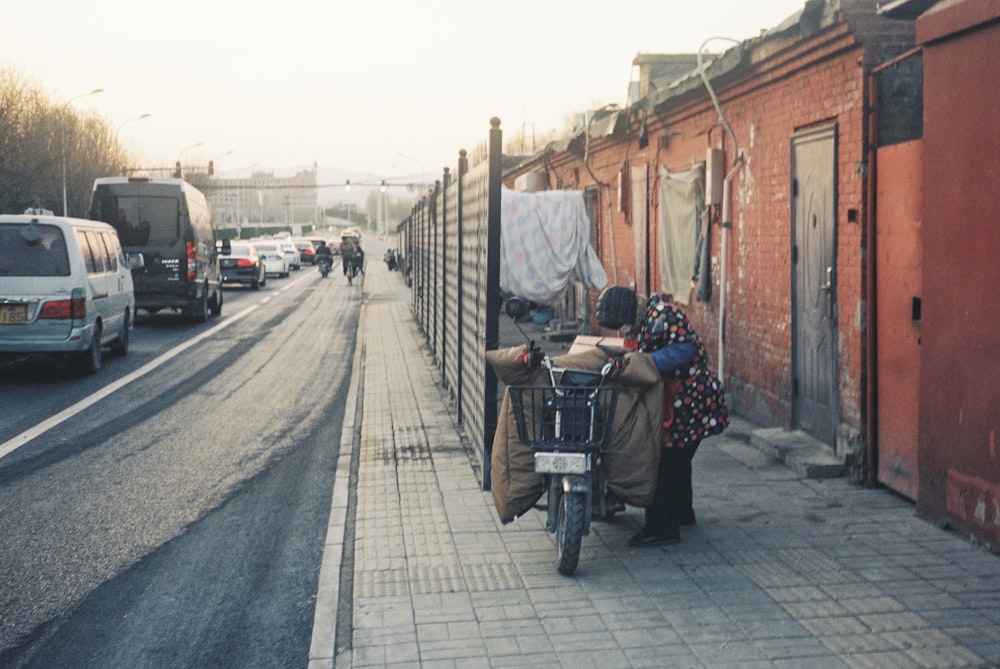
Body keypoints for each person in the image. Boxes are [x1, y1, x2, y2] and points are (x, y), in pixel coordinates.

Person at [624, 291, 729, 548]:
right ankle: (682, 512)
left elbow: (686, 348)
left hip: (692, 400)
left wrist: (646, 363)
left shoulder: (662, 316)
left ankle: (662, 528)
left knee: (665, 462)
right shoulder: (650, 315)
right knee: (680, 458)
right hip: (692, 400)